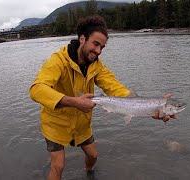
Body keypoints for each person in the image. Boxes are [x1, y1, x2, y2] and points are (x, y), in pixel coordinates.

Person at [29, 15, 176, 180]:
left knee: (93, 157)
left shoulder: (97, 65)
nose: (98, 51)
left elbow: (115, 88)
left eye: (102, 47)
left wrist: (151, 106)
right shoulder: (57, 61)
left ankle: (89, 175)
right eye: (96, 44)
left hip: (82, 124)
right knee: (58, 165)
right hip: (55, 123)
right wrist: (73, 101)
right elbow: (36, 89)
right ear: (82, 38)